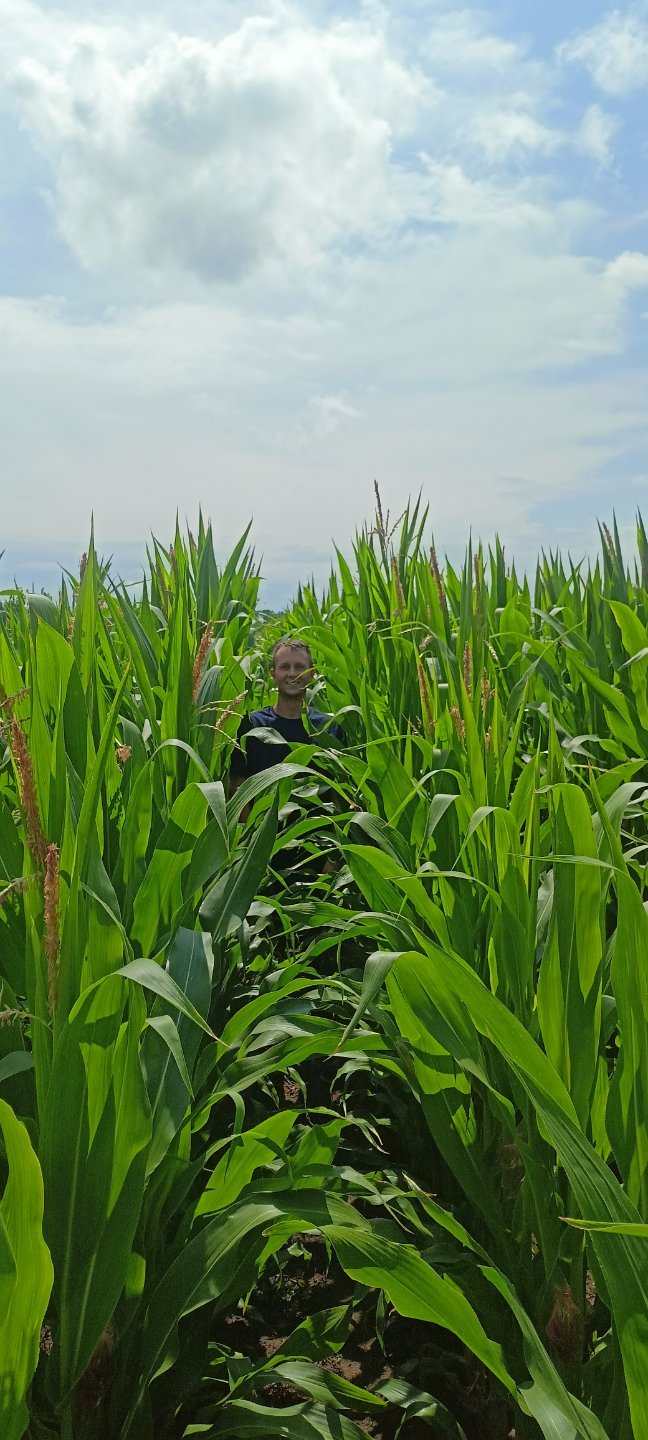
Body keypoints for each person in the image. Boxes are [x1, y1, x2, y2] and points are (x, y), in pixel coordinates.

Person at [229, 637, 344, 794]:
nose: (292, 673)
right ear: (273, 674)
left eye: (299, 667)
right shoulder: (252, 725)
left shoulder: (329, 727)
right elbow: (238, 785)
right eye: (285, 667)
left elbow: (339, 789)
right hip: (263, 811)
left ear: (312, 673)